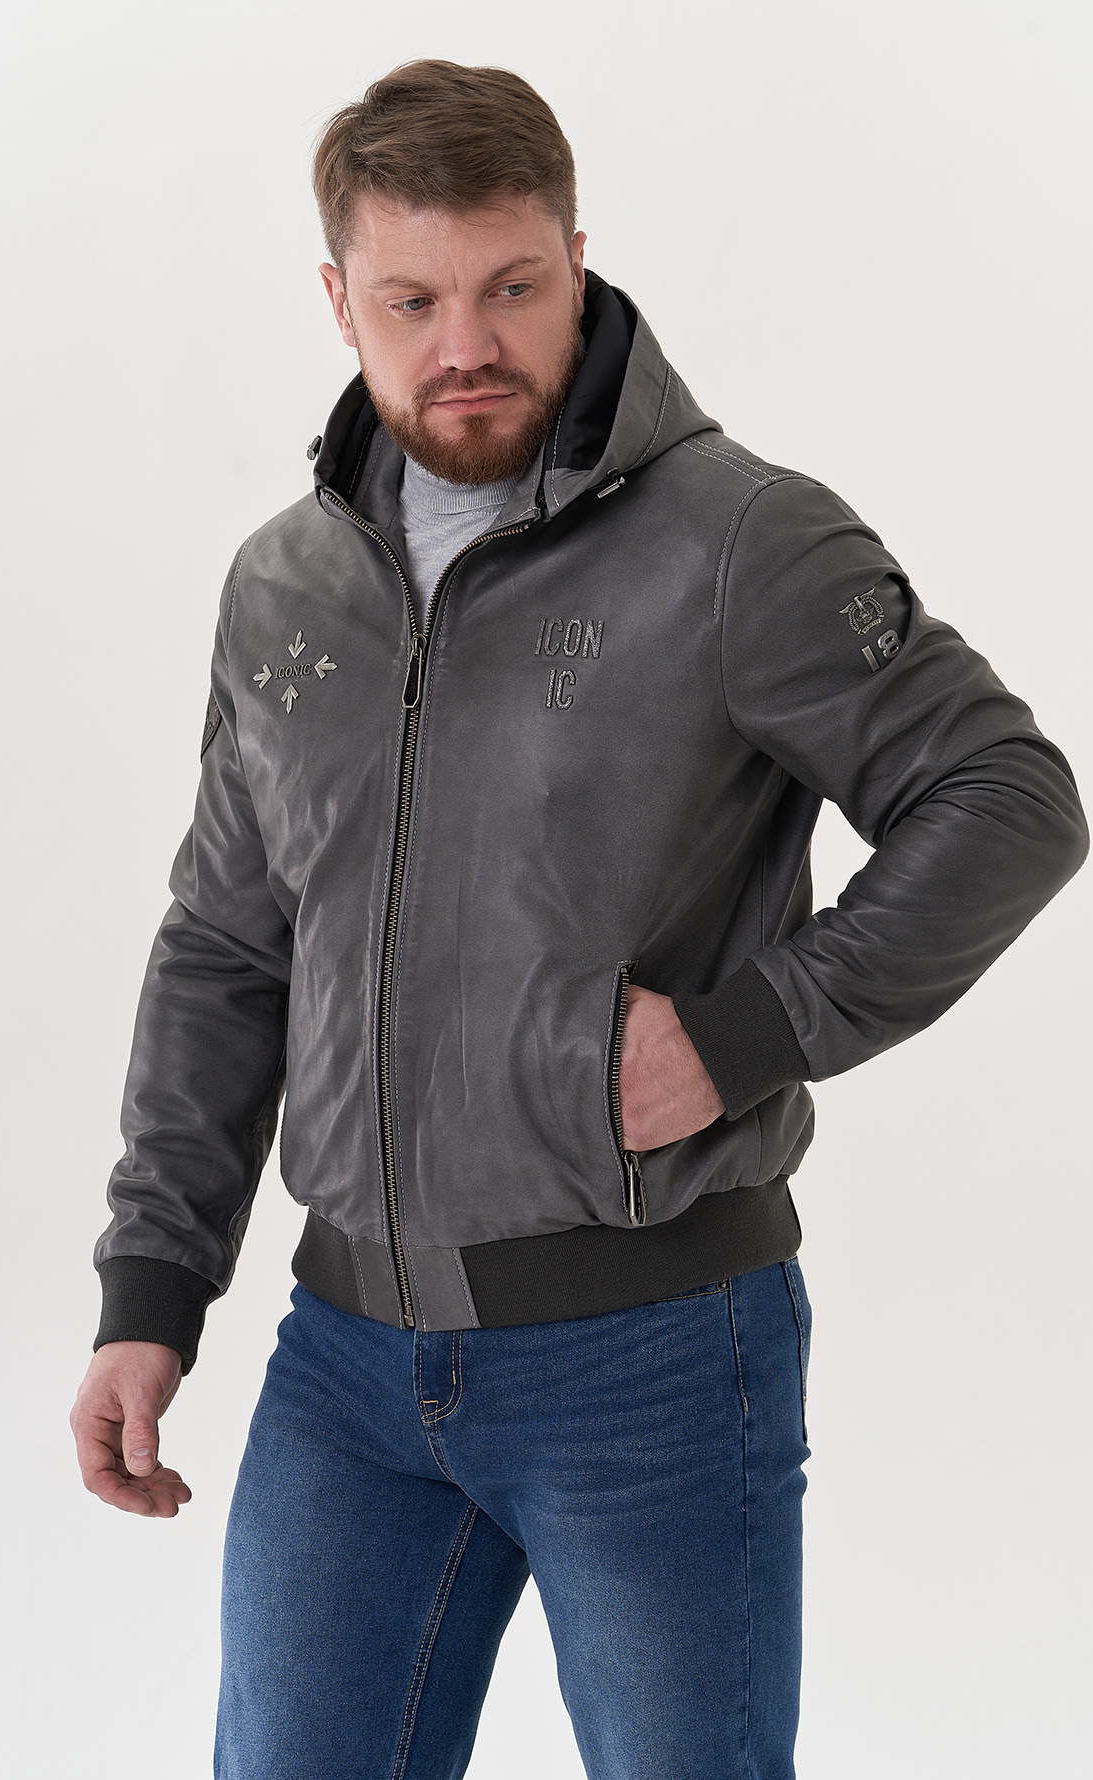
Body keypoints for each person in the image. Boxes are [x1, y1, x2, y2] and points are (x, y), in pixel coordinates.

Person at [69, 59, 1087, 1780]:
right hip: (346, 1368)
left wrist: (749, 1035)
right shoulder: (285, 586)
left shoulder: (740, 541)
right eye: (413, 301)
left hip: (656, 1364)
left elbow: (1007, 797)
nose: (468, 343)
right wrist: (151, 1287)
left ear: (578, 263)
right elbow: (229, 951)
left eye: (512, 287)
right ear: (339, 302)